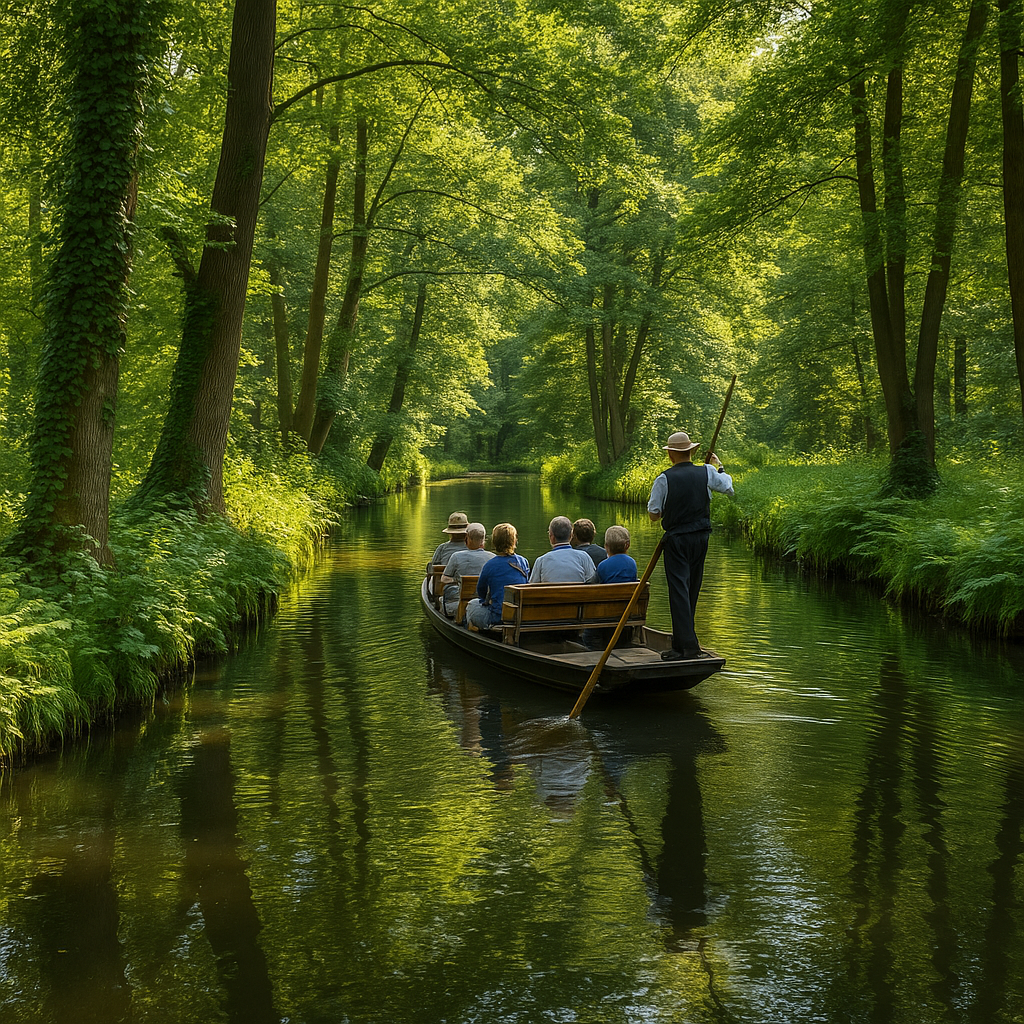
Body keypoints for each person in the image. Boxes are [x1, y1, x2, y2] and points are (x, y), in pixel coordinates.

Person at [648, 430, 734, 660]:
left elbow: (654, 514)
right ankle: (686, 642)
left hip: (677, 540)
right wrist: (719, 466)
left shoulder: (664, 478)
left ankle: (685, 648)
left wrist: (669, 508)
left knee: (679, 591)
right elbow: (728, 487)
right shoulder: (706, 471)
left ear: (671, 455)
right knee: (692, 588)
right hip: (701, 538)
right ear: (691, 452)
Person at [466, 523, 530, 630]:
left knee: (472, 604)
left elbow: (481, 590)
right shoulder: (523, 561)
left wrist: (485, 601)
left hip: (498, 618)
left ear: (494, 542)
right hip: (520, 614)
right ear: (514, 541)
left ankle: (474, 631)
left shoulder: (490, 565)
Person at [583, 526, 638, 649]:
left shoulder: (603, 565)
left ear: (606, 546)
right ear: (627, 545)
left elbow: (592, 584)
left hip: (605, 614)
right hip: (625, 612)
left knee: (588, 636)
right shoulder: (632, 564)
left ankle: (594, 652)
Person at [440, 522, 494, 619]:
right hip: (485, 601)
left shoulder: (456, 556)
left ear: (467, 539)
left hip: (463, 601)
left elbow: (444, 579)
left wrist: (457, 580)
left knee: (442, 599)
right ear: (483, 541)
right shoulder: (493, 558)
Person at [528, 516, 598, 583]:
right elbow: (592, 580)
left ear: (551, 537)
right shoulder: (584, 557)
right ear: (571, 536)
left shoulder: (541, 561)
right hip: (577, 595)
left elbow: (532, 586)